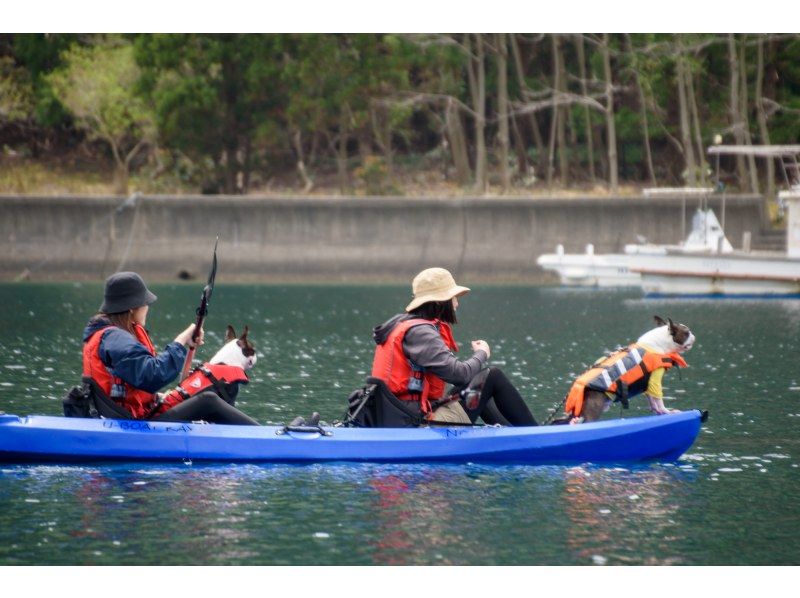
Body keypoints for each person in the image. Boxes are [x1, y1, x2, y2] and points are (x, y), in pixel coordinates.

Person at [82, 271, 259, 425]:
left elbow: (139, 381)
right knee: (208, 400)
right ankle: (265, 439)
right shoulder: (115, 338)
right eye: (145, 303)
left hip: (128, 415)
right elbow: (153, 375)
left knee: (200, 398)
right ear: (131, 308)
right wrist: (181, 341)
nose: (147, 307)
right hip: (133, 422)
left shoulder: (110, 336)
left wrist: (158, 398)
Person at [370, 267, 538, 426]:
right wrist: (482, 353)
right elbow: (460, 375)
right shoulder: (420, 332)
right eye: (453, 297)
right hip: (414, 422)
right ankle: (536, 434)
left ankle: (513, 434)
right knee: (492, 376)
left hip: (402, 414)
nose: (456, 303)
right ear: (439, 302)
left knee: (478, 384)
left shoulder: (407, 326)